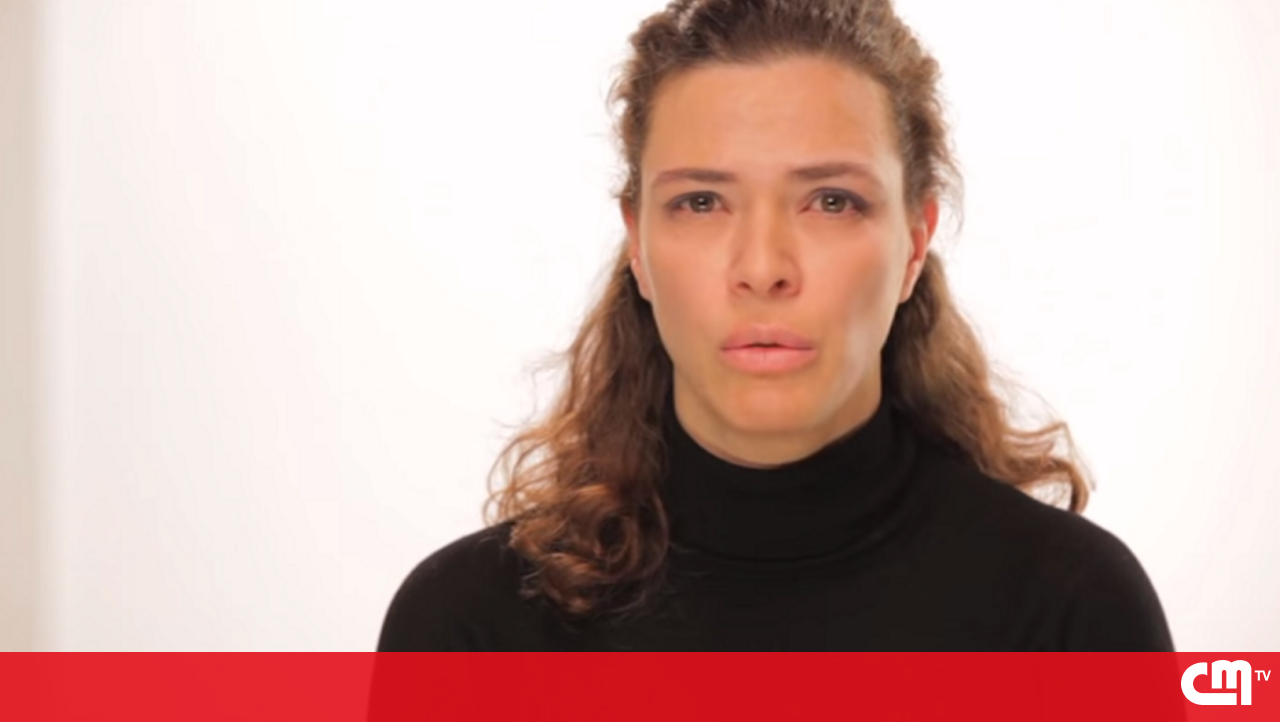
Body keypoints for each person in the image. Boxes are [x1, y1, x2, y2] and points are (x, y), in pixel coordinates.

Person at [374, 0, 1175, 651]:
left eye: (831, 201)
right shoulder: (472, 628)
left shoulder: (1067, 610)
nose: (763, 268)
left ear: (913, 244)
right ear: (638, 248)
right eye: (701, 202)